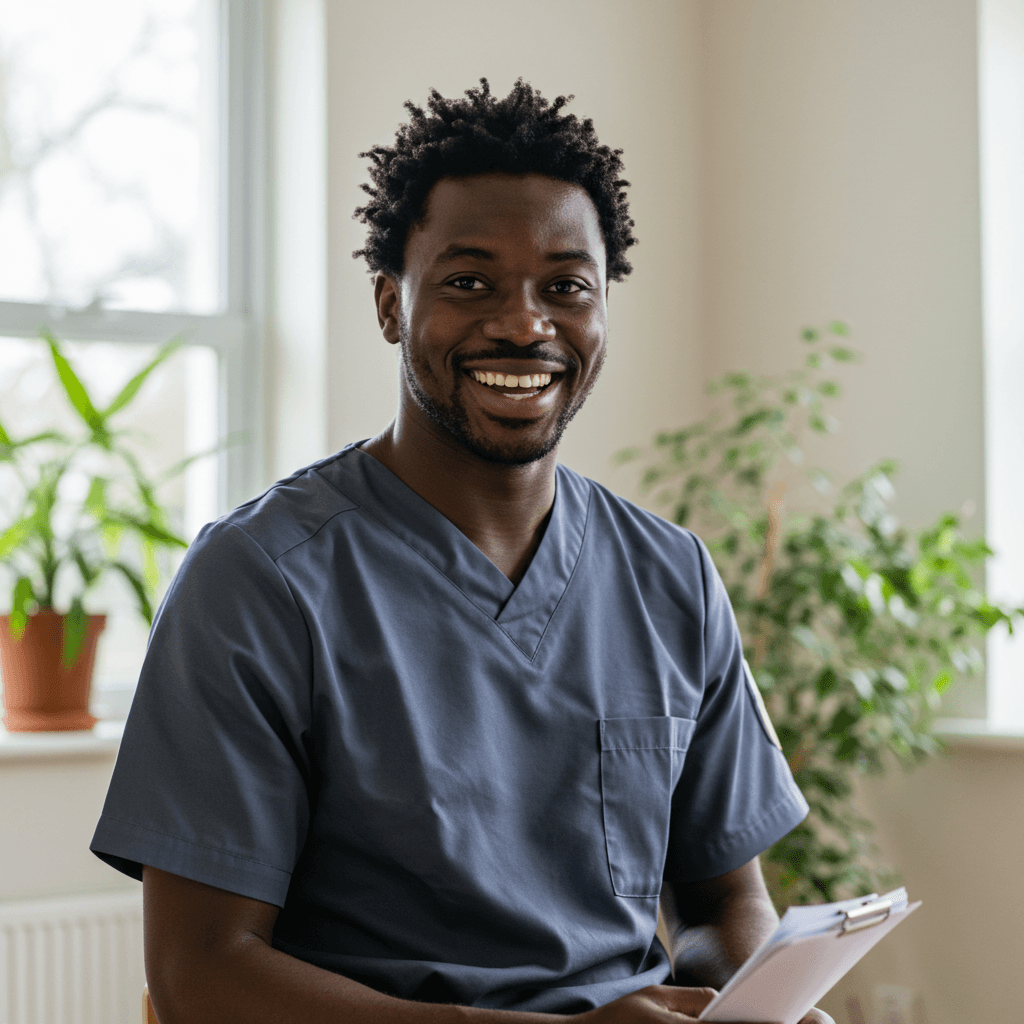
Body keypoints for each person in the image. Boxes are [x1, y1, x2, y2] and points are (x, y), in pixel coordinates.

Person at [91, 80, 833, 1024]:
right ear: (391, 304)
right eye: (469, 282)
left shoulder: (670, 576)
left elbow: (726, 903)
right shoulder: (258, 583)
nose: (525, 323)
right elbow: (201, 975)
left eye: (566, 286)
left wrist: (762, 999)